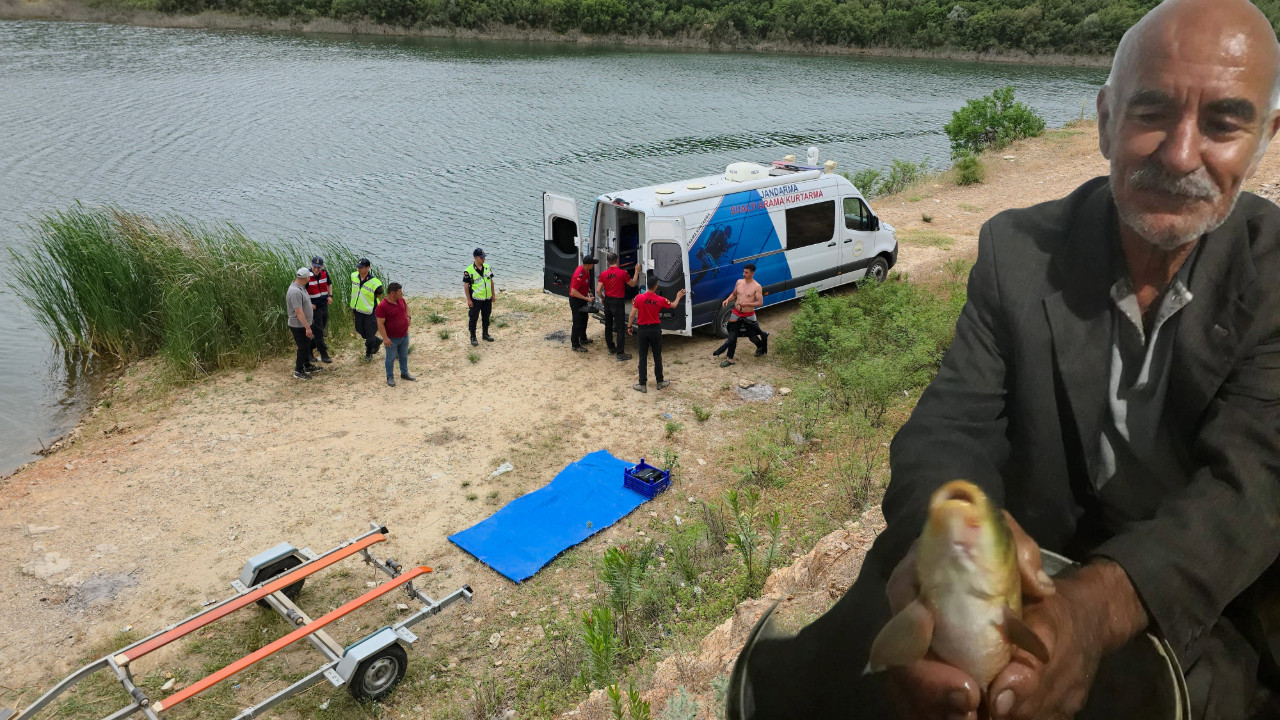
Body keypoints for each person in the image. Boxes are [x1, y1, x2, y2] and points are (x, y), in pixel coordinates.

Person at [729, 1, 1280, 719]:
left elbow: (1249, 488)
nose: (1179, 155)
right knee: (838, 671)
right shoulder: (1018, 251)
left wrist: (1096, 607)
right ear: (1107, 120)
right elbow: (951, 424)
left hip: (1190, 601)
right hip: (1011, 574)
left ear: (1265, 138)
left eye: (1222, 123)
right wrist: (949, 547)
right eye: (1152, 111)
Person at [628, 273, 685, 393]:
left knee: (642, 357)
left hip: (643, 330)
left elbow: (632, 314)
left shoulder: (639, 298)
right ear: (656, 286)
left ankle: (642, 384)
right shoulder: (660, 300)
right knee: (657, 356)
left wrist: (629, 326)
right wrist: (678, 296)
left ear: (647, 285)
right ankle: (660, 381)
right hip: (655, 329)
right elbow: (673, 305)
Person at [712, 263, 768, 367]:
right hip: (736, 313)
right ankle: (730, 359)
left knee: (752, 337)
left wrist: (747, 304)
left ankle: (760, 347)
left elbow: (760, 302)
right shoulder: (739, 282)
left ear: (752, 273)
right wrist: (727, 300)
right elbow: (734, 294)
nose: (743, 274)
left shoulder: (757, 286)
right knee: (732, 336)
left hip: (749, 315)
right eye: (743, 272)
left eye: (746, 272)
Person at [597, 252, 638, 361]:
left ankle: (611, 347)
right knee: (620, 328)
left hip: (608, 301)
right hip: (618, 302)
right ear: (617, 260)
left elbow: (598, 290)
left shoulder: (603, 274)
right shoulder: (622, 273)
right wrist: (637, 272)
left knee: (608, 326)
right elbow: (633, 284)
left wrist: (602, 298)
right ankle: (620, 353)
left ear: (607, 262)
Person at [375, 282, 414, 387]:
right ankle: (390, 377)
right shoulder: (382, 306)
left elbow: (407, 307)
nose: (402, 294)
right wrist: (385, 338)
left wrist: (408, 317)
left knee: (403, 356)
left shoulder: (401, 300)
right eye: (400, 292)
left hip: (404, 335)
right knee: (390, 358)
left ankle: (404, 373)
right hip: (392, 338)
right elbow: (380, 324)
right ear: (392, 293)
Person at [349, 258, 384, 361]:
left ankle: (369, 353)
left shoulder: (375, 282)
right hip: (357, 309)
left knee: (369, 333)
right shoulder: (354, 276)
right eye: (358, 267)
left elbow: (379, 295)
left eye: (362, 267)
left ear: (368, 268)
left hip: (370, 311)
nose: (359, 269)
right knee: (360, 330)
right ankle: (376, 340)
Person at [286, 267, 317, 380]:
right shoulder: (295, 291)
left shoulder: (301, 287)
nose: (310, 278)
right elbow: (298, 312)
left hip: (304, 323)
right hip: (298, 325)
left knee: (307, 345)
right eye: (309, 277)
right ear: (305, 278)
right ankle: (298, 371)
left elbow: (303, 305)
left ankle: (307, 365)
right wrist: (307, 328)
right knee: (303, 347)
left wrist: (310, 308)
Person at [464, 248, 496, 347]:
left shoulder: (487, 267)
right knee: (473, 318)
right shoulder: (468, 270)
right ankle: (473, 337)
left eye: (484, 257)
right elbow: (466, 286)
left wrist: (493, 294)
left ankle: (485, 334)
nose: (483, 259)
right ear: (475, 258)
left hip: (487, 298)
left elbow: (491, 281)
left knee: (486, 317)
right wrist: (469, 299)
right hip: (476, 299)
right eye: (481, 257)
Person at [306, 255, 333, 364]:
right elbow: (301, 292)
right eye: (315, 267)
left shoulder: (325, 273)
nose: (316, 269)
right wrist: (309, 304)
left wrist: (330, 296)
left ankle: (308, 350)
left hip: (324, 306)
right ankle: (324, 354)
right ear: (311, 265)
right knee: (319, 333)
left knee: (320, 330)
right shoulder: (307, 276)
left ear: (322, 267)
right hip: (314, 309)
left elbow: (329, 284)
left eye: (319, 267)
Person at [568, 256, 598, 353]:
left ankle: (583, 338)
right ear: (588, 265)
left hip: (582, 298)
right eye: (592, 263)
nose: (594, 265)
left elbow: (586, 283)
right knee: (577, 322)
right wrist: (587, 299)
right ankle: (575, 344)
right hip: (576, 300)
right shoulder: (579, 274)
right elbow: (573, 291)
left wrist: (589, 291)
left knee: (584, 319)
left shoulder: (587, 271)